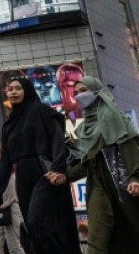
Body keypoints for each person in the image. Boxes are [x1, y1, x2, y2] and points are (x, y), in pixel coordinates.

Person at [47, 77, 139, 253]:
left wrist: (135, 177)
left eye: (84, 90)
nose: (80, 96)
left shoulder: (113, 116)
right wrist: (66, 176)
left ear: (97, 91)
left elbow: (129, 148)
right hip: (98, 186)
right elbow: (88, 164)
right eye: (76, 93)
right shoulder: (84, 129)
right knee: (97, 236)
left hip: (123, 184)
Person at [0, 76, 78, 254]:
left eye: (18, 88)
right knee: (32, 226)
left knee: (40, 221)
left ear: (27, 90)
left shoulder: (42, 111)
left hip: (44, 172)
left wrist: (57, 168)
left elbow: (57, 140)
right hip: (23, 177)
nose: (13, 92)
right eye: (10, 89)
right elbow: (6, 160)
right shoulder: (9, 124)